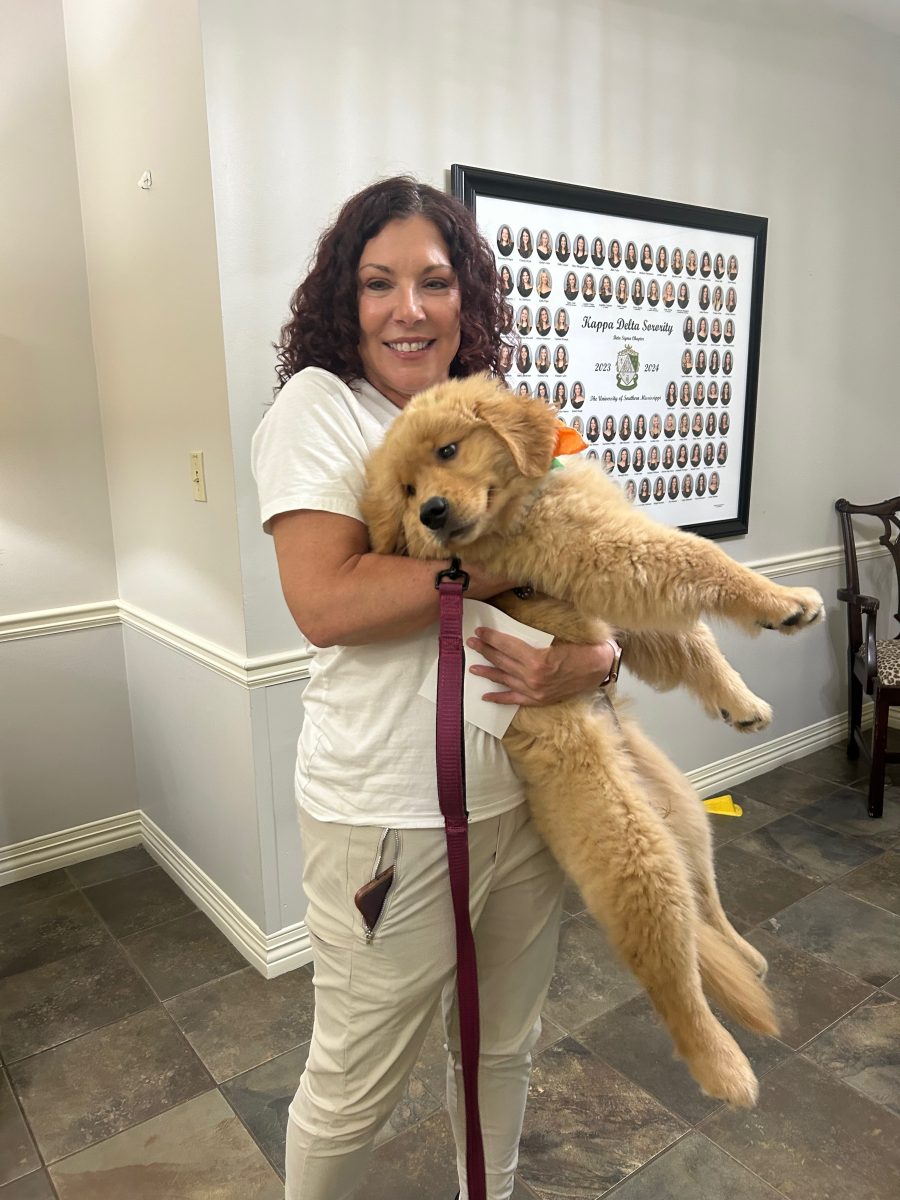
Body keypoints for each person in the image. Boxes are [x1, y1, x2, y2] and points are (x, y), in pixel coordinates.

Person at [255, 178, 621, 1200]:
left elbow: (596, 573)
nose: (407, 308)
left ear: (469, 298)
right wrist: (509, 558)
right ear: (344, 298)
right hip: (391, 816)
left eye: (433, 281)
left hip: (526, 797)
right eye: (379, 284)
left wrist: (595, 663)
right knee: (354, 1081)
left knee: (504, 1045)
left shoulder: (500, 413)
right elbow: (325, 601)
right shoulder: (320, 410)